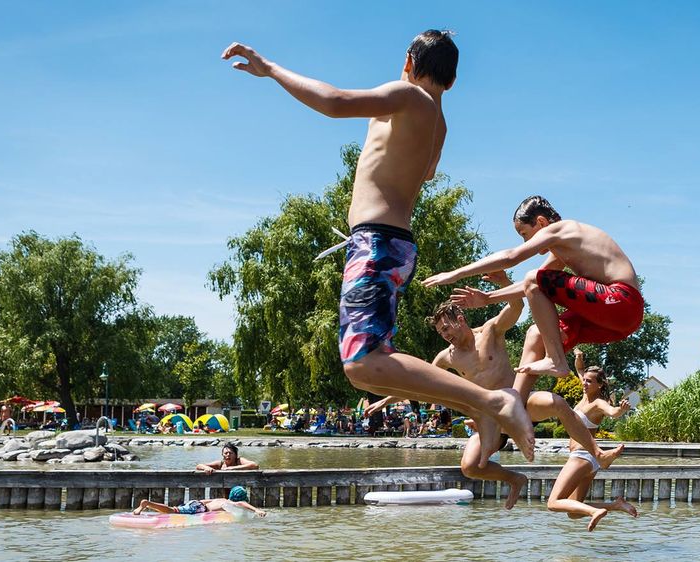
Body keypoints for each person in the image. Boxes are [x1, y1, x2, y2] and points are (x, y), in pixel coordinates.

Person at [223, 31, 535, 462]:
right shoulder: (436, 123)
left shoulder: (406, 96)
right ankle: (476, 406)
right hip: (393, 246)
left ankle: (493, 401)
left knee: (363, 363)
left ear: (408, 60)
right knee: (367, 375)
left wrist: (271, 69)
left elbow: (334, 103)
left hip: (376, 241)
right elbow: (425, 174)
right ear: (452, 81)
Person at [365, 273, 623, 509]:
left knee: (557, 402)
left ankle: (596, 452)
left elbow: (517, 306)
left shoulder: (490, 331)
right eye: (440, 332)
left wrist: (501, 282)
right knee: (470, 467)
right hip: (489, 416)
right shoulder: (446, 357)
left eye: (446, 328)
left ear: (461, 320)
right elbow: (421, 383)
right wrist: (386, 401)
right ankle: (515, 478)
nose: (445, 335)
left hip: (519, 403)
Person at [423, 195, 645, 399]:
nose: (525, 242)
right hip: (617, 323)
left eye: (524, 235)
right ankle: (514, 407)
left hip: (622, 301)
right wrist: (488, 297)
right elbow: (531, 287)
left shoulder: (562, 229)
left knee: (534, 277)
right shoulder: (562, 249)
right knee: (536, 333)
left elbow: (512, 258)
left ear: (541, 222)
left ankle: (556, 361)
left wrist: (456, 273)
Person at [545, 363, 637, 531]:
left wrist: (620, 410)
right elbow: (580, 370)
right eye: (584, 380)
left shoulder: (598, 403)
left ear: (600, 384)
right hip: (590, 461)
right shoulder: (584, 394)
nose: (584, 383)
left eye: (589, 381)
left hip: (581, 456)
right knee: (573, 512)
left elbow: (612, 412)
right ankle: (615, 505)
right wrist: (579, 358)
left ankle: (595, 511)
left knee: (553, 503)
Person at [134, 486, 267, 517]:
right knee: (172, 511)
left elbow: (204, 501)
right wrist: (256, 510)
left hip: (197, 503)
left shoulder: (222, 499)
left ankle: (148, 504)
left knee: (175, 509)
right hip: (199, 508)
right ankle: (147, 503)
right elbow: (240, 504)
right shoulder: (230, 503)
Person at [195, 443, 260, 474]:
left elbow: (255, 465)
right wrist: (206, 468)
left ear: (235, 455)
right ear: (222, 455)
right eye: (226, 453)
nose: (228, 455)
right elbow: (199, 466)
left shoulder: (239, 461)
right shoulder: (220, 464)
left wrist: (232, 468)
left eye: (230, 453)